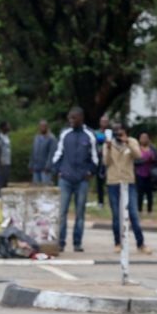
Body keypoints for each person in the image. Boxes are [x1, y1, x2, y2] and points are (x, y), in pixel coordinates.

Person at [52, 107, 98, 252]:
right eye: (70, 118)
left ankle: (77, 242)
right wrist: (58, 170)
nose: (71, 121)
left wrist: (91, 171)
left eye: (74, 118)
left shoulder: (89, 135)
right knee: (62, 212)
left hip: (82, 180)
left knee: (80, 212)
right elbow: (58, 154)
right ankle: (61, 242)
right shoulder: (65, 134)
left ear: (81, 118)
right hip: (65, 179)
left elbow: (95, 157)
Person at [103, 123, 151, 254]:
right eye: (116, 131)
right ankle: (117, 243)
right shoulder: (108, 144)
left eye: (121, 131)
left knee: (134, 214)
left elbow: (138, 155)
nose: (118, 133)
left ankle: (141, 243)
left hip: (128, 182)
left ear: (125, 132)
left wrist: (127, 142)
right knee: (116, 215)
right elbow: (106, 162)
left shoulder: (132, 141)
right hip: (113, 182)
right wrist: (107, 147)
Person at [134, 132, 157, 214]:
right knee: (140, 193)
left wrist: (153, 159)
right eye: (142, 138)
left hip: (150, 174)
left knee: (149, 193)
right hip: (139, 173)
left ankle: (150, 210)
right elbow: (134, 161)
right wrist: (144, 161)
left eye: (145, 138)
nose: (144, 139)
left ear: (148, 139)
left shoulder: (152, 148)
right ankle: (139, 209)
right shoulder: (137, 148)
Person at [29, 119, 57, 185]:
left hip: (45, 169)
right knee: (35, 188)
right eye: (41, 126)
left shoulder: (51, 138)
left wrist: (48, 166)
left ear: (47, 127)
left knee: (46, 189)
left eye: (44, 126)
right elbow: (33, 151)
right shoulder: (36, 137)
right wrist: (31, 164)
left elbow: (52, 154)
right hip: (36, 167)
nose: (42, 128)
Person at [94, 114, 111, 208]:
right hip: (99, 159)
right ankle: (100, 202)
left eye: (106, 121)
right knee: (99, 182)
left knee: (109, 182)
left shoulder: (111, 133)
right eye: (102, 121)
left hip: (109, 159)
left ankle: (110, 201)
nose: (104, 123)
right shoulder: (96, 132)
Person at [0, 120, 12, 191]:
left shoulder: (7, 136)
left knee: (6, 181)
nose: (9, 127)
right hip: (2, 163)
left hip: (7, 162)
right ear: (3, 127)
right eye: (7, 126)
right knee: (1, 182)